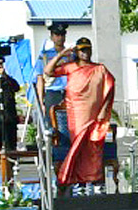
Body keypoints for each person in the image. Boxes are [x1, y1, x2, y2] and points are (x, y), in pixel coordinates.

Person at [43, 37, 115, 193]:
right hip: (77, 113)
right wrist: (61, 54)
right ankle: (78, 181)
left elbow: (110, 86)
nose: (85, 53)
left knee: (93, 146)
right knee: (79, 147)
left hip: (95, 113)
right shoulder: (70, 67)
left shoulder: (100, 69)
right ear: (77, 52)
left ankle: (95, 180)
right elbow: (48, 71)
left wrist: (103, 110)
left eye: (87, 49)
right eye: (82, 50)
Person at [36, 22, 69, 144]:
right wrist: (41, 100)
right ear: (52, 37)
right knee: (51, 126)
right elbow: (40, 78)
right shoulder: (45, 55)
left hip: (68, 92)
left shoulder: (72, 54)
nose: (59, 38)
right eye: (57, 35)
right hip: (52, 92)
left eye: (62, 35)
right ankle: (53, 155)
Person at [0, 58, 21, 153]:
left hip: (9, 117)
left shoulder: (8, 81)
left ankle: (11, 165)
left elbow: (16, 87)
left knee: (11, 146)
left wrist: (5, 76)